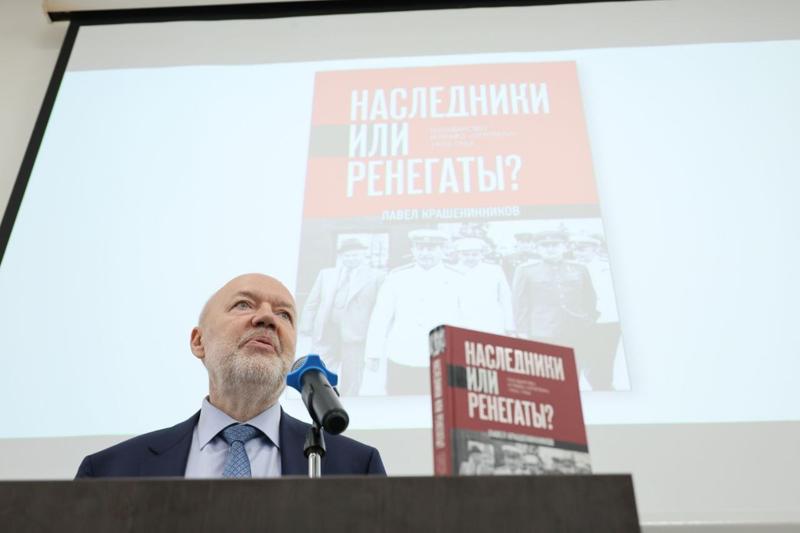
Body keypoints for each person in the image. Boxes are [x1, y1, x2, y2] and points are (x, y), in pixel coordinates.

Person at [75, 273, 386, 478]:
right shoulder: (110, 471)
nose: (267, 318)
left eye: (284, 314)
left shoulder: (356, 467)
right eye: (243, 305)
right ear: (199, 341)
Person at [364, 229, 463, 395]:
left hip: (442, 357)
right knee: (399, 403)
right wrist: (373, 353)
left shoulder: (458, 280)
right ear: (413, 250)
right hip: (402, 355)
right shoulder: (396, 278)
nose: (425, 253)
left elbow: (467, 320)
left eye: (431, 249)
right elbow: (381, 317)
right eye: (420, 248)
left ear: (442, 250)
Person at [299, 238, 384, 395]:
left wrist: (376, 339)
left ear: (363, 255)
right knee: (321, 371)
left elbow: (380, 310)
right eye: (347, 256)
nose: (351, 259)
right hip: (327, 331)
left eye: (355, 255)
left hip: (356, 336)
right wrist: (306, 325)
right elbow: (312, 302)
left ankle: (348, 403)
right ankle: (323, 400)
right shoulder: (326, 274)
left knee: (352, 376)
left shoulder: (376, 276)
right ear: (341, 256)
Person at [512, 230, 598, 378]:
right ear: (537, 249)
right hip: (542, 330)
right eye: (545, 245)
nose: (550, 249)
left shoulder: (579, 268)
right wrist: (522, 331)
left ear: (565, 247)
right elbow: (520, 303)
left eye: (555, 245)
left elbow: (590, 297)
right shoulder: (525, 270)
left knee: (573, 371)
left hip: (575, 328)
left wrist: (588, 318)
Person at [453, 237, 514, 335]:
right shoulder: (451, 272)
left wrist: (509, 326)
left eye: (475, 254)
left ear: (482, 255)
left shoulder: (494, 271)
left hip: (491, 323)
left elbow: (505, 299)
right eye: (465, 254)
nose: (470, 258)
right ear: (458, 255)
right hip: (462, 323)